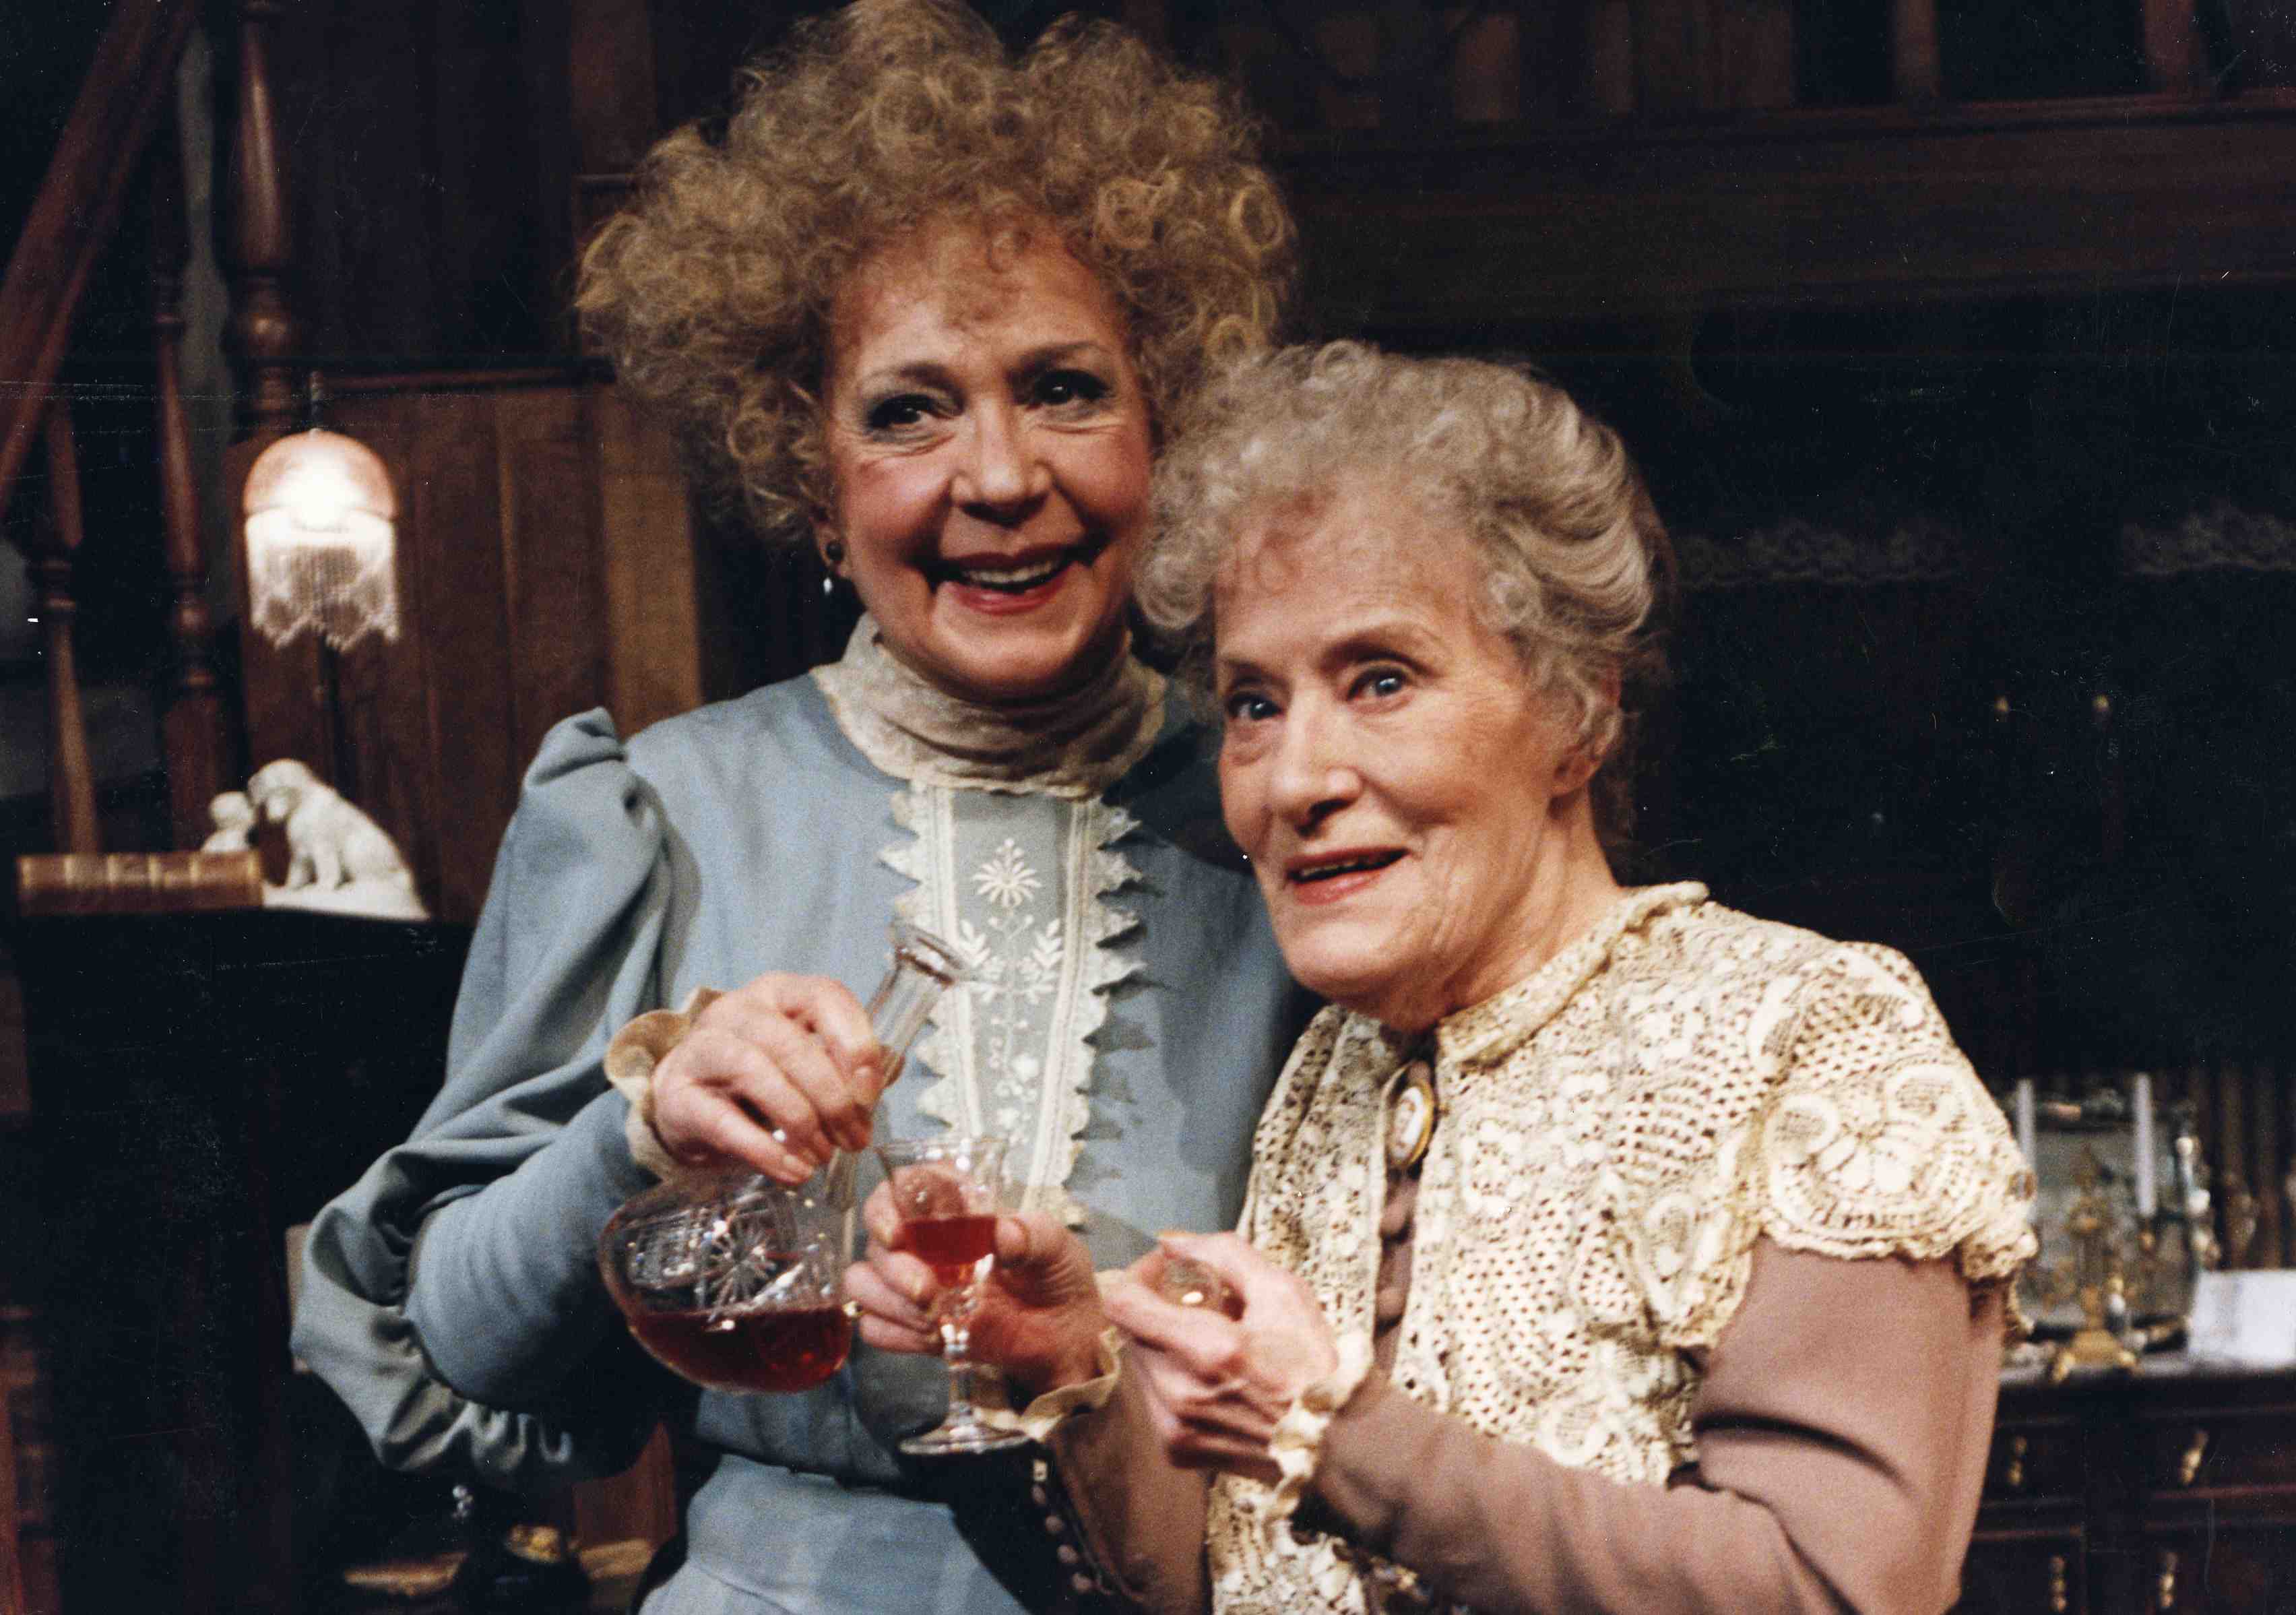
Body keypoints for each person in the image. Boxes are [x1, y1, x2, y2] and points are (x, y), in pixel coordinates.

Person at [290, 7, 1304, 1613]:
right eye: (908, 410)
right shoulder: (659, 810)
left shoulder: (1286, 814)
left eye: (1063, 388)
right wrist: (637, 1134)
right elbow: (460, 1342)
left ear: (1162, 436)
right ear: (812, 482)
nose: (997, 476)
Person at [852, 342, 2038, 1615]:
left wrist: (1335, 1432)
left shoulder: (1805, 1038)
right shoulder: (1330, 1071)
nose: (1297, 779)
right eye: (1254, 704)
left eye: (1381, 680)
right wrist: (1071, 1369)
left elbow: (1838, 1587)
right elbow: (1238, 1575)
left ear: (1579, 714)